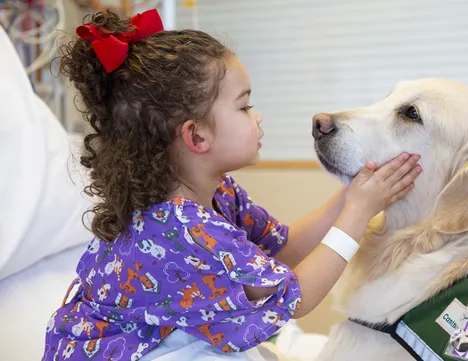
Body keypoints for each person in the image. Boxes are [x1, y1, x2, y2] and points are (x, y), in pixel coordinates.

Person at [41, 9, 422, 361]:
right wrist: (358, 215)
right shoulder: (179, 230)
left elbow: (283, 247)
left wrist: (351, 194)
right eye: (244, 107)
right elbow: (295, 297)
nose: (257, 117)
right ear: (197, 136)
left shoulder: (216, 193)